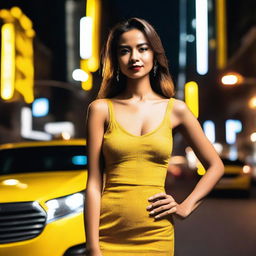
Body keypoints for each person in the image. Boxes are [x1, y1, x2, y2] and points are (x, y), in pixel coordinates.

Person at [84, 17, 224, 256]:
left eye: (142, 48)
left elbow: (215, 166)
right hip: (108, 235)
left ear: (154, 54)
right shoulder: (100, 109)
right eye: (124, 51)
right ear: (116, 60)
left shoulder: (176, 110)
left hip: (156, 236)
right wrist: (93, 247)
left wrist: (184, 207)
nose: (134, 57)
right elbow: (94, 184)